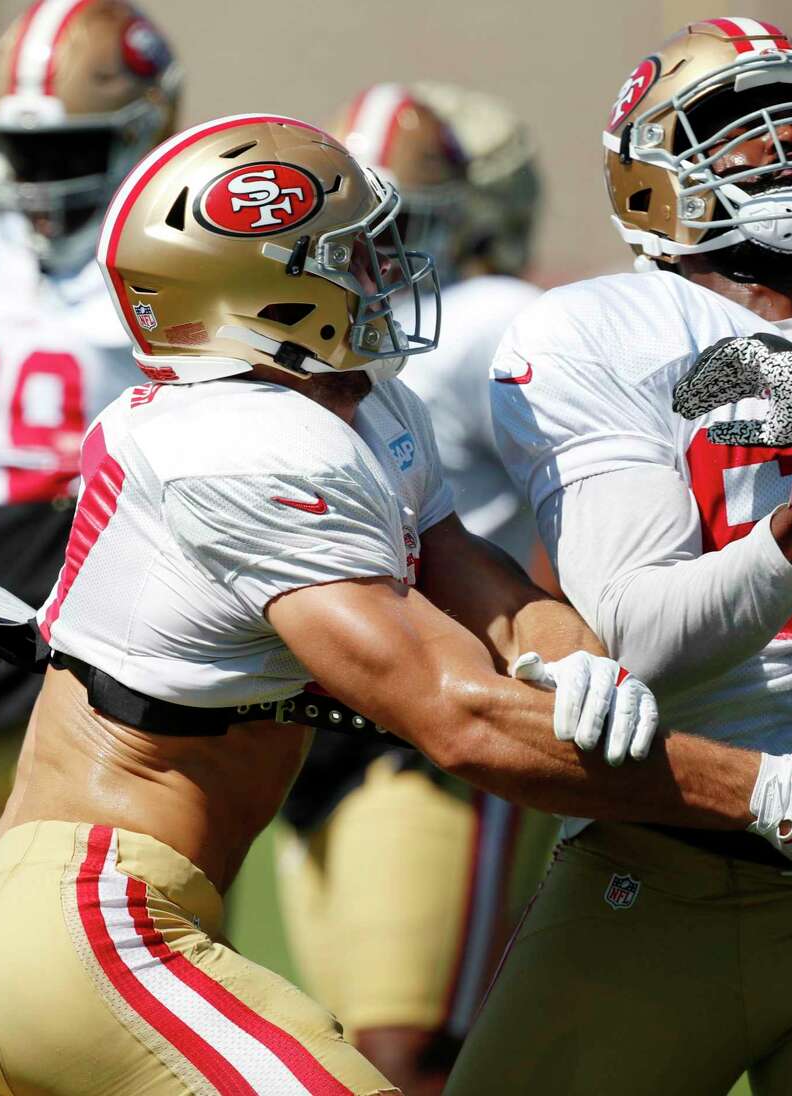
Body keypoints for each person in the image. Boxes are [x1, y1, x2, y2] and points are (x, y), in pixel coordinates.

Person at [0, 113, 792, 1096]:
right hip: (94, 930)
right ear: (261, 292)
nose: (390, 273)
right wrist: (766, 790)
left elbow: (473, 578)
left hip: (31, 929)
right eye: (352, 256)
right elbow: (461, 717)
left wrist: (578, 659)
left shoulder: (345, 409)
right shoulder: (253, 445)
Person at [459, 16, 792, 1094]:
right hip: (658, 880)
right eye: (736, 123)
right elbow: (643, 637)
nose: (787, 140)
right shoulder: (596, 330)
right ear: (651, 175)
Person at [271, 84, 554, 1093]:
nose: (379, 260)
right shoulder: (290, 338)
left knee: (410, 1052)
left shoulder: (485, 318)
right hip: (310, 718)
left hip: (437, 713)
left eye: (407, 229)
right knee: (349, 1056)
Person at [0, 0, 180, 918]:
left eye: (67, 152)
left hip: (115, 646)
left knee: (97, 968)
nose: (37, 180)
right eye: (21, 150)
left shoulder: (173, 263)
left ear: (143, 133)